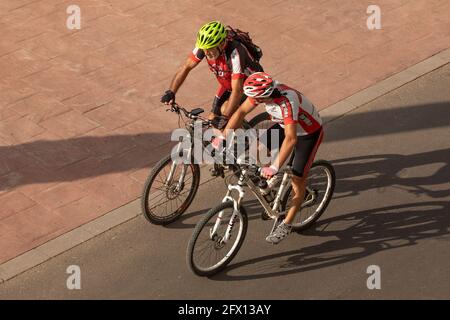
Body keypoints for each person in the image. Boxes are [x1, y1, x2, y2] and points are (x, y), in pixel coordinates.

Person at [214, 72, 324, 244]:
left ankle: (287, 224)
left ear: (263, 96)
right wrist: (223, 137)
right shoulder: (262, 93)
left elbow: (291, 139)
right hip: (284, 126)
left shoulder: (287, 103)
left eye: (253, 98)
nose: (250, 100)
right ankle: (268, 187)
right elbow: (242, 111)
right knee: (253, 152)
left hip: (307, 134)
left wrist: (274, 167)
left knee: (297, 179)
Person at [160, 21, 263, 129]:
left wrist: (225, 117)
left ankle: (246, 141)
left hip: (249, 85)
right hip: (228, 84)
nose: (206, 53)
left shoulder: (234, 53)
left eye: (210, 50)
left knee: (225, 112)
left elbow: (237, 90)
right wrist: (171, 92)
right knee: (212, 119)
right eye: (205, 50)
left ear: (222, 44)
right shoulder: (205, 47)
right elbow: (186, 67)